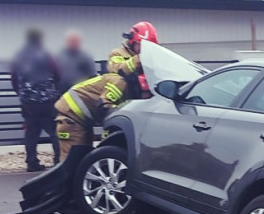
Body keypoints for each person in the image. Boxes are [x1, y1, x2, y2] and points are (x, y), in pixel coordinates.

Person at [53, 21, 156, 162]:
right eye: (142, 45)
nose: (144, 49)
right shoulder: (118, 58)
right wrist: (140, 59)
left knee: (83, 159)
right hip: (71, 113)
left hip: (84, 115)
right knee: (71, 161)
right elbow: (116, 72)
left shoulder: (137, 74)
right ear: (132, 41)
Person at [9, 28, 61, 172]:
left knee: (31, 132)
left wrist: (21, 95)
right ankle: (58, 161)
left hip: (28, 103)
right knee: (54, 131)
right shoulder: (47, 56)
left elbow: (13, 78)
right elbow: (57, 74)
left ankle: (32, 163)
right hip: (47, 101)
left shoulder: (19, 57)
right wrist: (55, 93)